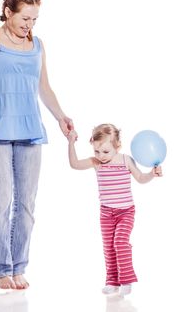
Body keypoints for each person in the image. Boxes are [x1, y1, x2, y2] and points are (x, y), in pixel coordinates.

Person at [0, 0, 73, 290]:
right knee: (2, 200)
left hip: (29, 128)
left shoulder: (37, 45)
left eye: (34, 19)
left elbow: (43, 87)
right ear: (8, 12)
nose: (29, 25)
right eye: (25, 18)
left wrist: (61, 117)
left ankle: (18, 265)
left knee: (26, 203)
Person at [67, 123, 162, 296]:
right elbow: (74, 164)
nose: (101, 156)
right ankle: (112, 281)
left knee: (120, 242)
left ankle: (126, 280)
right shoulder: (96, 162)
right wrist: (71, 142)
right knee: (109, 247)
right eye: (96, 151)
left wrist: (151, 174)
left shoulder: (126, 160)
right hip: (106, 213)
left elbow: (140, 178)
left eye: (105, 152)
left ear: (117, 146)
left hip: (126, 211)